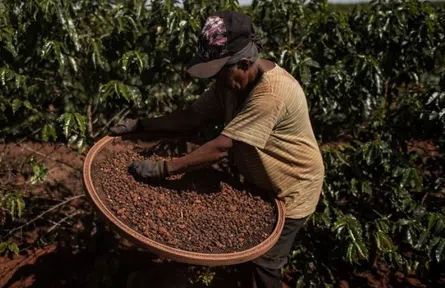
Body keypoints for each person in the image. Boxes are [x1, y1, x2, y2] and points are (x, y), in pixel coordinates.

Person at [110, 10, 324, 288]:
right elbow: (191, 116)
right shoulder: (230, 83)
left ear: (245, 63)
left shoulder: (272, 95)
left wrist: (164, 169)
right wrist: (140, 125)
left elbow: (222, 147)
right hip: (261, 180)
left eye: (221, 71)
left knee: (265, 263)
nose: (217, 80)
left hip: (293, 186)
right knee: (245, 246)